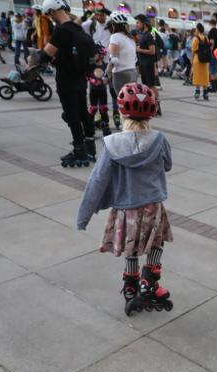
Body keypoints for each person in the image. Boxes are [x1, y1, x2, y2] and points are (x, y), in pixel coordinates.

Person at [77, 82, 174, 316]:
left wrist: (83, 217)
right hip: (152, 206)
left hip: (125, 210)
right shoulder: (159, 140)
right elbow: (168, 165)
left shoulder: (111, 144)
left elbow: (97, 181)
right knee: (156, 243)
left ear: (121, 112)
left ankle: (131, 286)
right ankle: (149, 281)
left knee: (131, 247)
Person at [38, 0, 96, 167]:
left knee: (72, 115)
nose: (50, 18)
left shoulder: (61, 30)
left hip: (66, 79)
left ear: (52, 12)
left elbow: (46, 56)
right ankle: (90, 147)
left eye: (49, 14)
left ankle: (79, 151)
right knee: (83, 112)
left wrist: (32, 59)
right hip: (80, 78)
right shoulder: (77, 27)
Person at [134, 14, 162, 115]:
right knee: (146, 86)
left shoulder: (149, 35)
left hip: (148, 64)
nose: (136, 24)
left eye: (138, 22)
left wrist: (139, 49)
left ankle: (157, 106)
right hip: (143, 64)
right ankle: (150, 105)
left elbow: (152, 51)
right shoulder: (143, 35)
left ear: (144, 24)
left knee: (151, 86)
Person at [108, 11, 137, 93]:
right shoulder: (131, 38)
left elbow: (114, 60)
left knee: (121, 99)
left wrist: (107, 73)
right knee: (130, 99)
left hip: (120, 73)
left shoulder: (115, 37)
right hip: (133, 72)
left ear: (113, 24)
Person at [88, 45, 111, 136]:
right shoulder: (91, 64)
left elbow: (108, 76)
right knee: (93, 109)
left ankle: (106, 127)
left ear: (101, 55)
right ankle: (89, 128)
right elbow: (87, 75)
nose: (94, 56)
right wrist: (93, 81)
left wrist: (105, 80)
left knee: (103, 108)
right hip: (93, 90)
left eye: (96, 54)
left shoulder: (105, 65)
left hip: (102, 90)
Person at [191, 22, 210, 100]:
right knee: (204, 75)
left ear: (198, 29)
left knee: (197, 75)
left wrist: (191, 60)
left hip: (197, 58)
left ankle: (197, 91)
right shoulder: (206, 38)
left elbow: (193, 50)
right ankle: (205, 92)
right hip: (205, 59)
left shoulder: (196, 38)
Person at [207, 19, 217, 93]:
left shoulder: (211, 32)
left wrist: (211, 52)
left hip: (213, 53)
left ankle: (212, 86)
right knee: (215, 70)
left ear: (210, 23)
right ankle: (216, 86)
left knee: (212, 70)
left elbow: (212, 43)